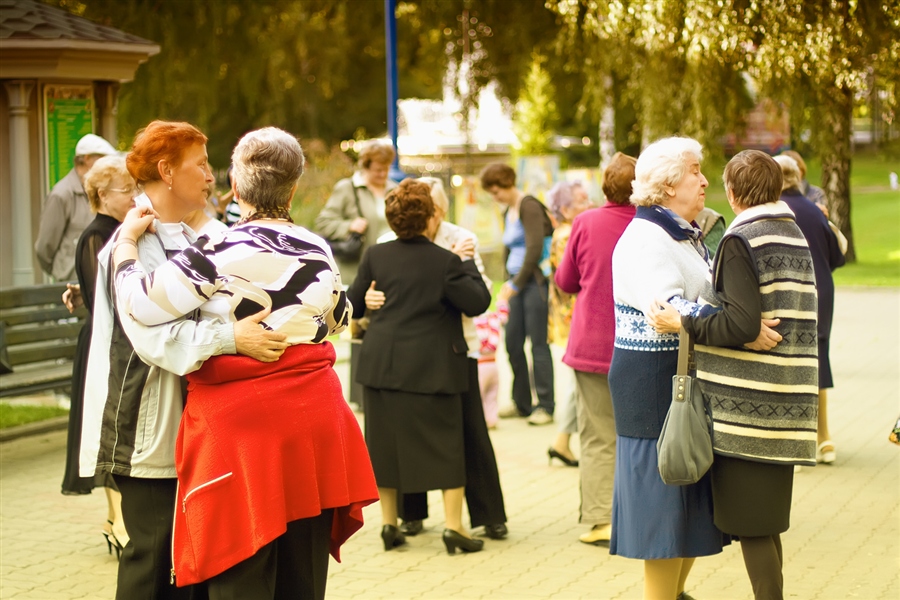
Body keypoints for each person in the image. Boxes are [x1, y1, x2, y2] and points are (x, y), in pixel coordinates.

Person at [110, 127, 378, 598]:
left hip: (240, 431)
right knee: (303, 571)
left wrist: (126, 247)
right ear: (292, 188)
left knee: (241, 570)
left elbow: (139, 305)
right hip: (314, 421)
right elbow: (338, 318)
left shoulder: (215, 251)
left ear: (236, 189)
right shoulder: (318, 249)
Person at [79, 120, 288, 600]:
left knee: (191, 560)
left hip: (201, 426)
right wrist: (230, 338)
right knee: (152, 560)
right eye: (202, 164)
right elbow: (152, 339)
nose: (212, 176)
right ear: (166, 170)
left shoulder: (196, 235)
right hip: (148, 429)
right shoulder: (128, 246)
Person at [648, 149, 819, 600]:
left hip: (752, 408)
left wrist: (681, 321)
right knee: (764, 523)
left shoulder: (742, 238)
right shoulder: (790, 229)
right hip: (787, 398)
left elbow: (741, 323)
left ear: (733, 192)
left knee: (753, 527)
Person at [608, 137, 732, 600]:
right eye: (695, 170)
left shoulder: (679, 232)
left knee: (686, 512)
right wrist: (736, 325)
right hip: (654, 385)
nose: (704, 180)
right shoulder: (647, 238)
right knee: (663, 518)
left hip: (677, 381)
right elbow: (666, 311)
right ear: (666, 184)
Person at [347, 179, 492, 555]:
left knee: (385, 446)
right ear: (429, 218)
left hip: (382, 366)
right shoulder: (445, 261)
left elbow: (354, 305)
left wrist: (371, 298)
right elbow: (477, 302)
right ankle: (454, 527)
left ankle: (390, 525)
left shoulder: (375, 256)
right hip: (434, 369)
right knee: (446, 447)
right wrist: (464, 263)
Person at [554, 152, 637, 546]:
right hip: (641, 344)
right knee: (639, 433)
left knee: (598, 434)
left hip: (591, 344)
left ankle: (603, 518)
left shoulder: (585, 223)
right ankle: (640, 511)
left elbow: (566, 281)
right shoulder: (652, 225)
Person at [60, 155, 135, 557]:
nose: (134, 197)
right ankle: (119, 523)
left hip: (113, 340)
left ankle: (114, 521)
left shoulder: (118, 230)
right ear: (103, 195)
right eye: (128, 191)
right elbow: (107, 298)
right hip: (103, 345)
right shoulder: (97, 235)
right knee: (109, 431)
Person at [773, 155, 846, 465]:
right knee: (818, 360)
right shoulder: (815, 212)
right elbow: (837, 255)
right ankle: (824, 439)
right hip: (821, 294)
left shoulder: (774, 212)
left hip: (787, 296)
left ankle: (791, 441)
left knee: (785, 362)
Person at [481, 163, 555, 425]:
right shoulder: (508, 211)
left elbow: (534, 248)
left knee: (537, 344)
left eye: (497, 189)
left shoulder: (529, 205)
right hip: (515, 283)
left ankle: (545, 404)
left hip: (533, 283)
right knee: (512, 342)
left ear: (508, 183)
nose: (495, 195)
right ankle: (522, 402)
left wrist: (516, 283)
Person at [545, 181, 593, 466]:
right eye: (582, 201)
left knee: (577, 384)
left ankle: (561, 441)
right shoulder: (566, 234)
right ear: (564, 209)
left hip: (570, 318)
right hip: (572, 319)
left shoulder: (568, 232)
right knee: (577, 384)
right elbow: (571, 281)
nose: (589, 205)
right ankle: (561, 441)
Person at [35, 133, 118, 281]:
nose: (108, 166)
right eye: (103, 160)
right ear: (87, 159)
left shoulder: (100, 191)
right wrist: (61, 273)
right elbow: (44, 248)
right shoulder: (61, 195)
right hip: (69, 287)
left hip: (97, 286)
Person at [315, 140, 398, 283]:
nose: (383, 174)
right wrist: (348, 226)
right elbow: (323, 222)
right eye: (378, 170)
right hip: (357, 273)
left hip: (389, 269)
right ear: (365, 167)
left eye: (387, 168)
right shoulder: (347, 189)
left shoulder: (395, 190)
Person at [779, 150, 828, 215]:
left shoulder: (816, 194)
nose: (787, 176)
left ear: (801, 171)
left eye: (791, 170)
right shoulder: (775, 195)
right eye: (784, 172)